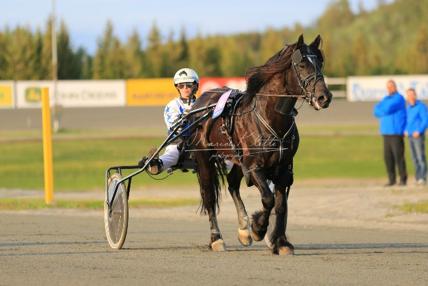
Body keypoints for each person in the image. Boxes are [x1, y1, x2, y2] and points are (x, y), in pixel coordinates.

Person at [139, 68, 199, 174]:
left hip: (199, 142)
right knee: (172, 156)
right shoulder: (173, 105)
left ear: (195, 86)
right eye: (181, 85)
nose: (185, 88)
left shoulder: (202, 103)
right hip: (178, 142)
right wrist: (188, 116)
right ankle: (155, 164)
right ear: (177, 87)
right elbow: (175, 127)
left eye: (188, 85)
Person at [374, 80, 407, 186]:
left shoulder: (399, 98)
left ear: (395, 87)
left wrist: (382, 110)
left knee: (399, 156)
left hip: (396, 132)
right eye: (388, 87)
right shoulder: (385, 99)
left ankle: (403, 178)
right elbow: (376, 111)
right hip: (386, 131)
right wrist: (382, 110)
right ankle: (391, 179)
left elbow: (387, 109)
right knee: (388, 157)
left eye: (391, 86)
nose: (389, 88)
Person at [404, 88, 428, 185]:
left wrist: (419, 131)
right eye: (409, 95)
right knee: (414, 158)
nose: (411, 96)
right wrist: (405, 130)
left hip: (418, 135)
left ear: (415, 95)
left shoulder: (421, 106)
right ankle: (418, 177)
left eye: (412, 94)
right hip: (410, 136)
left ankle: (423, 177)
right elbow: (407, 121)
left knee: (420, 157)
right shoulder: (408, 108)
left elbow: (425, 120)